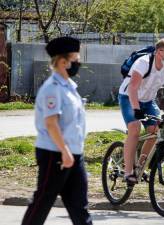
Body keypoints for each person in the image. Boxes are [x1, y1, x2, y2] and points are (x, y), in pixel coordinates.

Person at [21, 37, 92, 225]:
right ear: (63, 61)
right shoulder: (52, 89)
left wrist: (72, 152)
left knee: (79, 206)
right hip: (56, 153)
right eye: (76, 57)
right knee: (43, 201)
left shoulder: (70, 88)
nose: (78, 62)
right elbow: (51, 124)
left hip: (74, 153)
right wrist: (64, 151)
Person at [118, 38, 164, 184]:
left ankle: (140, 166)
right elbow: (133, 88)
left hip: (147, 101)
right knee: (134, 129)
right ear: (159, 52)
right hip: (129, 98)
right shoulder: (143, 63)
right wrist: (136, 109)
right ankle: (128, 172)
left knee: (154, 131)